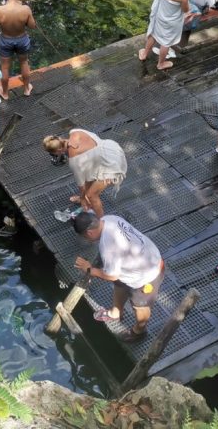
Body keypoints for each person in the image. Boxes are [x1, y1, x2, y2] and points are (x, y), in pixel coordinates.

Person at [72, 211, 164, 341]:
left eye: (85, 237)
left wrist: (90, 270)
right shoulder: (109, 219)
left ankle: (139, 331)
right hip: (140, 260)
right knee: (120, 284)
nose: (86, 240)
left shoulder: (108, 247)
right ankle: (116, 313)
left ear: (90, 233)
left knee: (140, 305)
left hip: (148, 274)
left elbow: (112, 276)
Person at [42, 130, 126, 218]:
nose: (53, 155)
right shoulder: (74, 132)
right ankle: (86, 198)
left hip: (111, 165)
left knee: (91, 195)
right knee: (88, 176)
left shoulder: (74, 160)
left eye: (52, 153)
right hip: (111, 149)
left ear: (59, 149)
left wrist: (83, 198)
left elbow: (81, 185)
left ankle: (101, 221)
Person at [138, 0, 193, 70]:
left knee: (154, 33)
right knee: (166, 42)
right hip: (172, 20)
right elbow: (185, 10)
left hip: (160, 14)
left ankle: (144, 54)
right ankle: (161, 64)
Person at [0, 0, 37, 99]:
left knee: (5, 67)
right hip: (22, 39)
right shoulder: (25, 9)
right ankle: (27, 89)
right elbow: (32, 26)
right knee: (24, 62)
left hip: (6, 39)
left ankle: (5, 93)